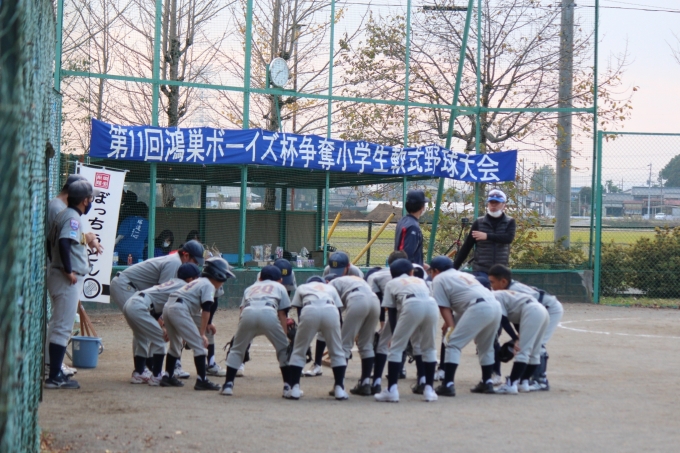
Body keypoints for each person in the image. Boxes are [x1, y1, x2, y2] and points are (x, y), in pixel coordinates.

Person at [110, 240, 205, 379]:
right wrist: (164, 324)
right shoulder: (175, 263)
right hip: (125, 286)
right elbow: (164, 296)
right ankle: (143, 370)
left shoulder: (177, 263)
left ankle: (147, 368)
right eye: (195, 261)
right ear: (185, 255)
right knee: (143, 327)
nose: (196, 265)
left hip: (138, 293)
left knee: (146, 328)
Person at [45, 174, 102, 378]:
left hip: (59, 273)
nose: (91, 201)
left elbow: (55, 241)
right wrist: (67, 270)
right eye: (90, 198)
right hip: (63, 276)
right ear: (84, 199)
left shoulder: (65, 212)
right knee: (62, 326)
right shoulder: (67, 214)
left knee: (60, 324)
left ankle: (53, 368)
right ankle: (54, 373)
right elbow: (63, 242)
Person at [429, 256, 502, 397]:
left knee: (452, 343)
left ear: (436, 270)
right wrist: (450, 322)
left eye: (431, 271)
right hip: (494, 305)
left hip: (478, 307)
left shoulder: (439, 279)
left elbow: (443, 307)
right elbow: (464, 301)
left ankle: (448, 385)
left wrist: (451, 327)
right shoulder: (463, 274)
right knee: (486, 346)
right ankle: (487, 382)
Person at [161, 257, 234, 390]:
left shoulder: (199, 281)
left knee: (175, 346)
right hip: (179, 309)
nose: (224, 281)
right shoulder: (209, 285)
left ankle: (168, 376)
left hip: (168, 306)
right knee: (200, 345)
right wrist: (202, 334)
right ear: (217, 275)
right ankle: (202, 380)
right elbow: (206, 310)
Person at [122, 263, 201, 385]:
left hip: (131, 302)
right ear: (190, 279)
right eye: (196, 278)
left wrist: (164, 325)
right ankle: (157, 376)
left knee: (141, 337)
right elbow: (173, 309)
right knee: (160, 339)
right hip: (140, 306)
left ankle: (139, 372)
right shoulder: (184, 287)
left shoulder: (173, 281)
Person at [488, 264, 563, 390]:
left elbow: (528, 310)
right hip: (538, 310)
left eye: (492, 282)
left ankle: (540, 380)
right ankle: (524, 380)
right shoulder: (507, 290)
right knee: (529, 344)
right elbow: (519, 317)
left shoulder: (510, 291)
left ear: (503, 281)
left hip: (550, 309)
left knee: (538, 345)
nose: (491, 286)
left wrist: (517, 339)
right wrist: (518, 337)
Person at [374, 259, 439, 402]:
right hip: (431, 304)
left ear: (392, 273)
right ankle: (429, 390)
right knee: (429, 348)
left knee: (396, 348)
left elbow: (392, 311)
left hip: (411, 304)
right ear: (411, 272)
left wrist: (395, 335)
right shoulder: (420, 280)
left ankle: (392, 390)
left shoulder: (391, 283)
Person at [221, 265, 291, 397]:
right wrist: (284, 336)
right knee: (283, 349)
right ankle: (288, 387)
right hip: (269, 313)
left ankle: (228, 385)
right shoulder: (280, 287)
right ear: (280, 280)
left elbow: (242, 311)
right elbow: (282, 314)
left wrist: (241, 334)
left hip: (248, 313)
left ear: (260, 278)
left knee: (236, 349)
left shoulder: (250, 288)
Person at [325, 252, 380, 397]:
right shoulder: (355, 277)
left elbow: (334, 313)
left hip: (357, 300)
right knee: (366, 345)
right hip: (374, 300)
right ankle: (365, 383)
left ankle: (339, 386)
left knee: (344, 345)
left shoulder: (331, 284)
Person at [285, 276, 347, 400]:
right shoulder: (330, 288)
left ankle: (294, 389)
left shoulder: (303, 287)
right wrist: (338, 334)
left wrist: (303, 335)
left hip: (309, 309)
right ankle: (339, 389)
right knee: (337, 351)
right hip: (331, 310)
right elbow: (339, 314)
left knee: (298, 351)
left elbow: (300, 311)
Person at [303, 252, 363, 377]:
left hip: (352, 298)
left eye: (340, 270)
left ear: (347, 266)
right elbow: (324, 289)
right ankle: (317, 365)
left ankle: (365, 369)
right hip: (333, 297)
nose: (337, 273)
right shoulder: (327, 270)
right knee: (324, 327)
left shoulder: (355, 272)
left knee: (355, 333)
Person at [452, 188, 516, 289]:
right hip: (481, 269)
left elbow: (508, 238)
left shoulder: (510, 222)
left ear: (504, 205)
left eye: (497, 203)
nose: (493, 205)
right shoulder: (479, 222)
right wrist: (453, 268)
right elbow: (467, 247)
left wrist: (487, 236)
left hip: (500, 270)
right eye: (491, 202)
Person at [491, 290, 549, 394]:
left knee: (523, 351)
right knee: (535, 351)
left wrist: (515, 338)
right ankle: (523, 383)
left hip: (532, 311)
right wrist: (518, 335)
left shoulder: (493, 296)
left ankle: (511, 384)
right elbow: (516, 318)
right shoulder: (503, 294)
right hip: (542, 311)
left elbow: (503, 320)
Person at [394, 189, 428, 266]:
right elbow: (407, 254)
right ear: (422, 207)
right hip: (408, 269)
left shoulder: (403, 220)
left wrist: (422, 265)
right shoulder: (413, 226)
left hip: (399, 266)